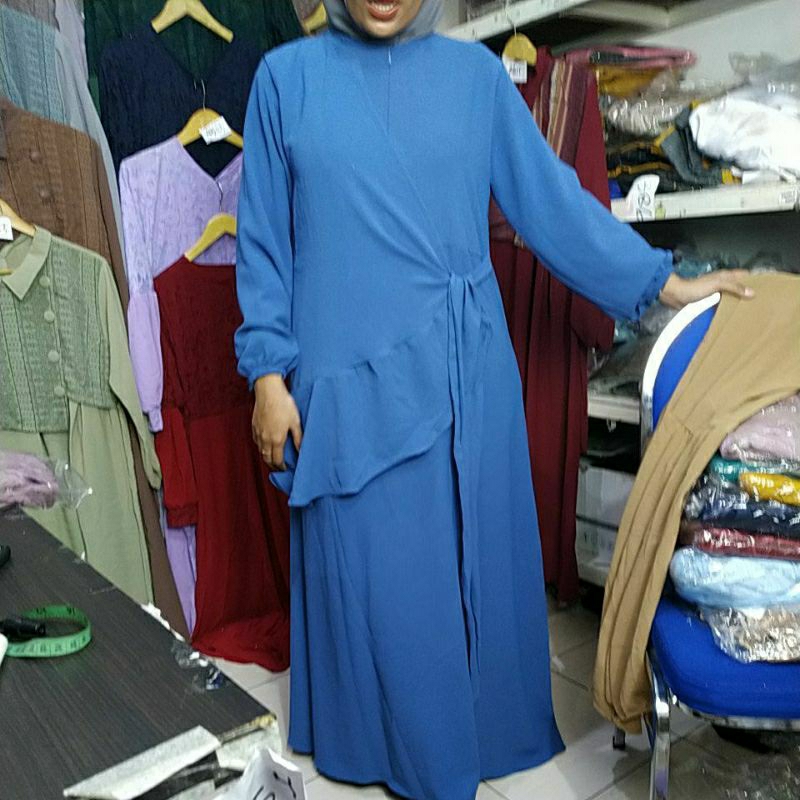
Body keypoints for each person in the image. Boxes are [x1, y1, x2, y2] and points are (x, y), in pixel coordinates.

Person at [234, 1, 752, 797]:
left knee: (448, 575)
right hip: (342, 375)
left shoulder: (476, 77)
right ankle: (375, 744)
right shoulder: (284, 79)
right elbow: (264, 238)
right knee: (368, 577)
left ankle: (452, 747)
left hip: (460, 371)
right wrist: (268, 374)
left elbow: (553, 206)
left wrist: (667, 284)